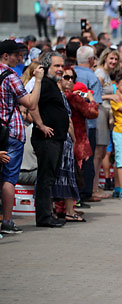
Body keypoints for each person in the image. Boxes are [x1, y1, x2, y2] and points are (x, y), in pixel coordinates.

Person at [0, 40, 44, 234]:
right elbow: (31, 103)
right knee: (9, 178)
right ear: (5, 56)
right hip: (11, 132)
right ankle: (7, 221)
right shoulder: (11, 77)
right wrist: (39, 80)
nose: (20, 58)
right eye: (16, 55)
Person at [30, 51, 69, 227]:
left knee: (50, 178)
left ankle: (48, 214)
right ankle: (44, 217)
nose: (61, 69)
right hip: (46, 139)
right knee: (45, 178)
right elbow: (32, 104)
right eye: (57, 66)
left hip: (56, 139)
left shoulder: (52, 84)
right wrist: (40, 125)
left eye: (62, 65)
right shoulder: (44, 83)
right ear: (47, 67)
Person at [53, 67, 84, 222]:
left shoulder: (63, 96)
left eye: (73, 78)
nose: (70, 81)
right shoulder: (60, 96)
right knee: (65, 176)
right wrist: (74, 139)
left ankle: (64, 210)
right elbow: (68, 121)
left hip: (61, 140)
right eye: (66, 77)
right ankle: (69, 211)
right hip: (64, 140)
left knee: (63, 176)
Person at [74, 45, 103, 204]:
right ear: (91, 60)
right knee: (86, 158)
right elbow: (96, 103)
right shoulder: (92, 78)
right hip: (87, 124)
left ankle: (75, 194)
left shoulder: (69, 73)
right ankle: (84, 192)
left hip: (71, 124)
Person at [93, 48, 120, 200]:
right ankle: (93, 188)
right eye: (111, 58)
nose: (113, 61)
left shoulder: (107, 74)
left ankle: (95, 187)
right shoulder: (100, 74)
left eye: (115, 59)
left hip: (106, 114)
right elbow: (96, 95)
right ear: (105, 58)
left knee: (102, 152)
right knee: (99, 152)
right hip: (100, 113)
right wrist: (111, 96)